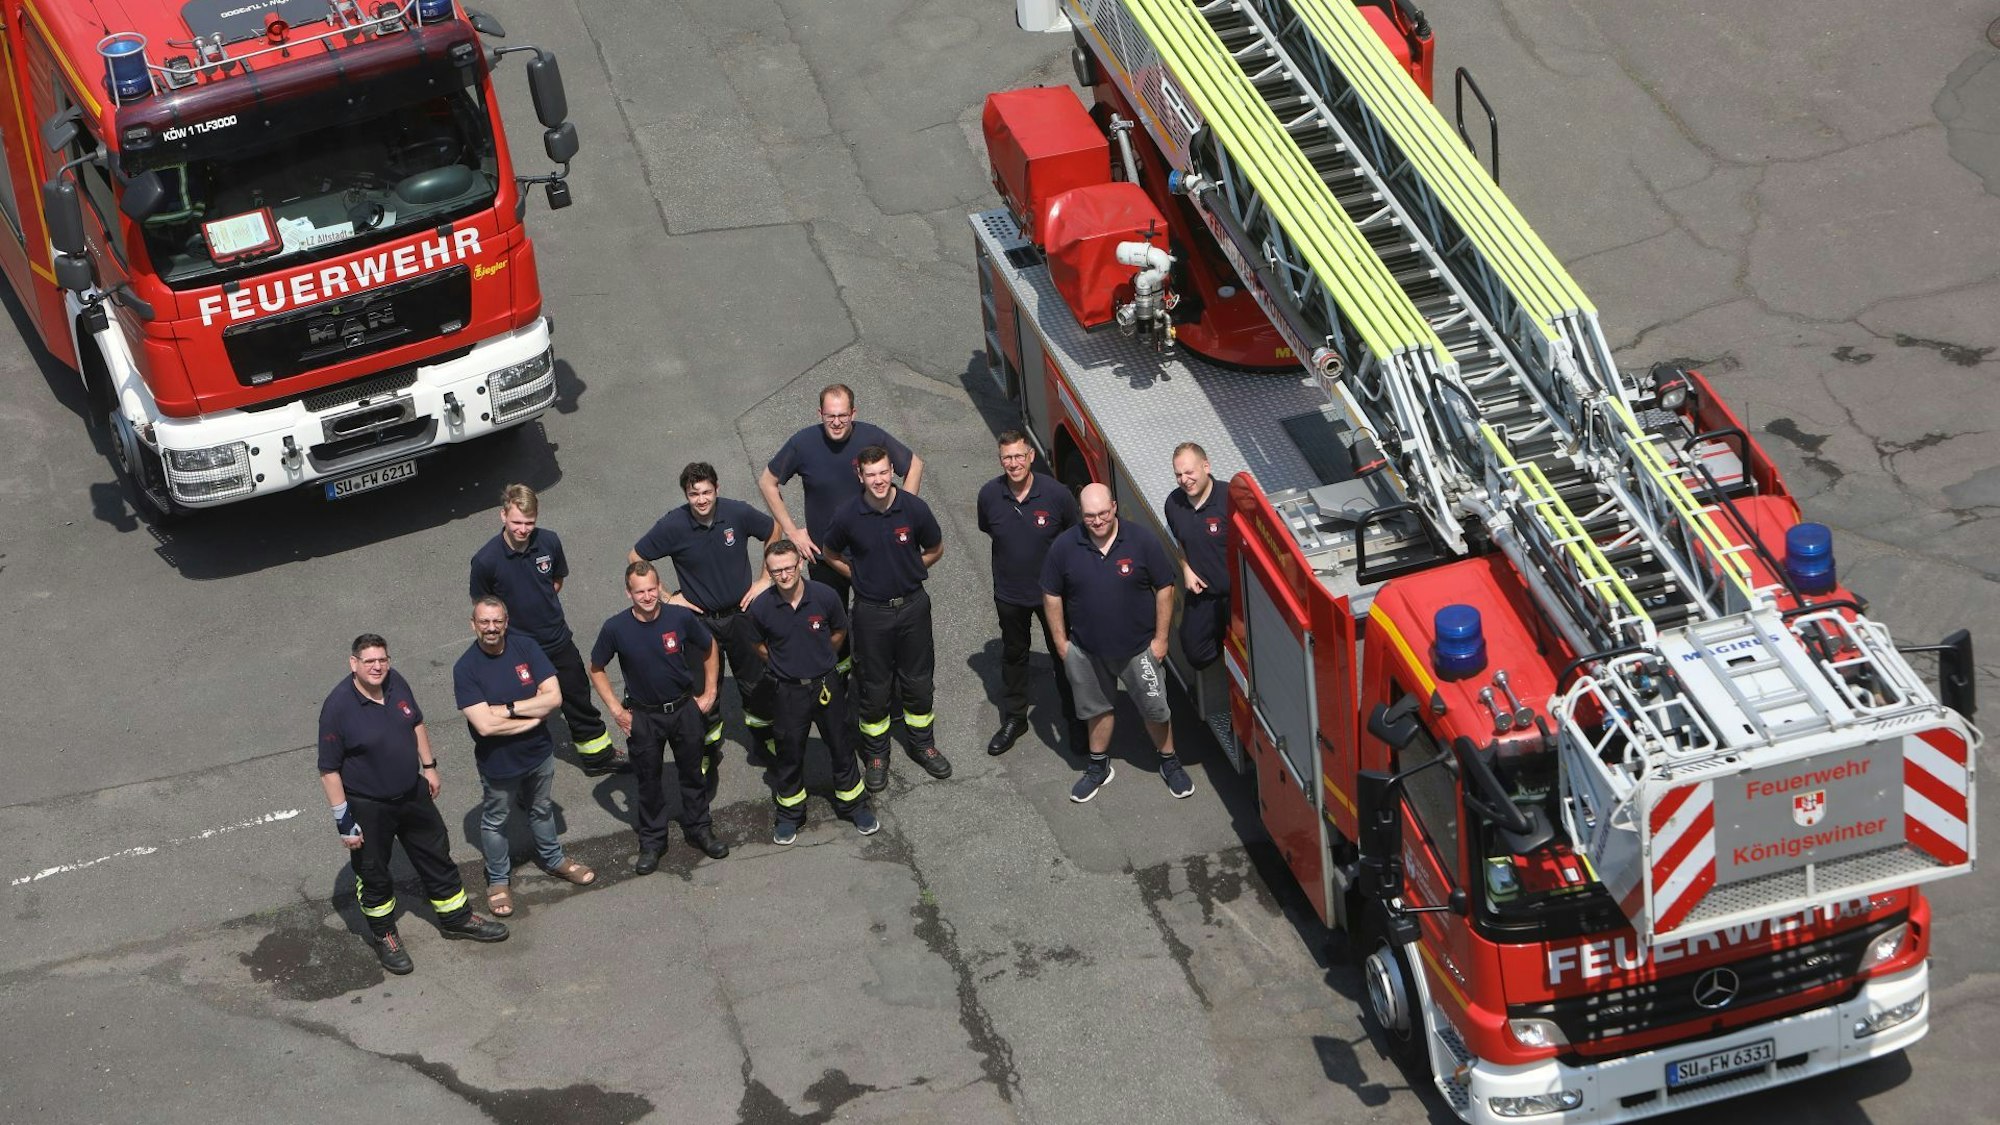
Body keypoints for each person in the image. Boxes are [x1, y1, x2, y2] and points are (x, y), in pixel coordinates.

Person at [318, 634, 507, 974]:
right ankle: (385, 935)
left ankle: (456, 918)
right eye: (369, 661)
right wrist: (344, 821)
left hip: (412, 793)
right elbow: (329, 771)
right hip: (368, 805)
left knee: (436, 854)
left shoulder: (395, 682)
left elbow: (415, 721)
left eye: (382, 659)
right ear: (354, 664)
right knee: (373, 872)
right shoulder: (338, 708)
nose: (377, 667)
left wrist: (429, 766)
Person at [1040, 484, 1192, 803]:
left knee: (1155, 709)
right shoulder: (1065, 546)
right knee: (1096, 710)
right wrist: (1061, 644)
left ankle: (1169, 762)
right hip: (1086, 651)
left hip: (1139, 650)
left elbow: (1165, 587)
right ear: (1081, 514)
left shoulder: (1141, 541)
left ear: (1114, 506)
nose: (1098, 521)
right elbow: (1051, 594)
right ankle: (1098, 767)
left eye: (1104, 513)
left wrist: (1161, 640)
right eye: (1091, 516)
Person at [454, 596, 598, 919]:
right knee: (495, 822)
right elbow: (484, 726)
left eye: (497, 622)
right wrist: (533, 714)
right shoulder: (466, 668)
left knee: (542, 808)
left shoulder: (526, 648)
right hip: (499, 764)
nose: (491, 628)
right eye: (484, 622)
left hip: (539, 754)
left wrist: (508, 710)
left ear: (506, 622)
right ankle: (498, 881)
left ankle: (553, 859)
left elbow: (555, 697)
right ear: (473, 625)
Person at [469, 483, 624, 774]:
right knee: (520, 711)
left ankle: (597, 757)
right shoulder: (486, 560)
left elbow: (555, 581)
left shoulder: (549, 542)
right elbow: (483, 606)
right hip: (516, 649)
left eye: (529, 523)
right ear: (503, 516)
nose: (523, 529)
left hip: (556, 640)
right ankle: (521, 773)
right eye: (516, 522)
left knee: (578, 697)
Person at [629, 463, 779, 762]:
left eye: (707, 492)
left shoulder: (736, 513)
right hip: (699, 623)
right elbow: (637, 557)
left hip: (742, 615)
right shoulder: (673, 525)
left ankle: (765, 742)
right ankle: (708, 750)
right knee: (703, 688)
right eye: (694, 493)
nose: (701, 499)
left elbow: (773, 529)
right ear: (686, 494)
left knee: (755, 683)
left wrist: (766, 579)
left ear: (717, 489)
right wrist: (667, 597)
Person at [758, 384, 925, 652]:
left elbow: (914, 464)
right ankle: (839, 684)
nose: (836, 422)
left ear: (853, 412)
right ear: (820, 413)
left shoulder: (871, 437)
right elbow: (768, 481)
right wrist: (792, 531)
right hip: (825, 556)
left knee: (877, 625)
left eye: (843, 415)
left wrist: (904, 509)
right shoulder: (803, 443)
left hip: (870, 554)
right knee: (832, 628)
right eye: (830, 416)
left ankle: (875, 681)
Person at [822, 445, 951, 790]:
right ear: (859, 476)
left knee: (918, 681)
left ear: (892, 470)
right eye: (871, 474)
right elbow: (829, 552)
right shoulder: (848, 514)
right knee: (874, 687)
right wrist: (858, 576)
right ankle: (877, 755)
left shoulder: (913, 508)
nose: (878, 480)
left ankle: (923, 745)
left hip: (912, 607)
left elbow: (935, 548)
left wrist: (909, 570)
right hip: (870, 613)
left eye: (883, 472)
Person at [588, 562, 727, 874]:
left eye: (652, 589)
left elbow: (709, 647)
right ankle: (652, 841)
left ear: (658, 586)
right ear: (629, 593)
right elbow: (596, 668)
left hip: (683, 710)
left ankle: (700, 829)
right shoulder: (615, 628)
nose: (648, 596)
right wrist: (616, 710)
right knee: (648, 782)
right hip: (645, 717)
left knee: (693, 774)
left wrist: (710, 691)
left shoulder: (680, 617)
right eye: (640, 591)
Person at [744, 539, 879, 844]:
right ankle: (791, 814)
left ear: (800, 565)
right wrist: (787, 665)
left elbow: (839, 631)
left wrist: (821, 660)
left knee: (841, 746)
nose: (784, 575)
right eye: (776, 570)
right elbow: (758, 646)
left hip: (825, 685)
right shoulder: (762, 607)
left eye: (789, 567)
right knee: (789, 753)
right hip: (788, 692)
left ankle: (855, 805)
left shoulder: (824, 596)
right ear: (769, 570)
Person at [976, 430, 1080, 755]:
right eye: (1007, 457)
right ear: (1000, 459)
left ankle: (1076, 721)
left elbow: (1072, 537)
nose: (1014, 463)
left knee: (1064, 656)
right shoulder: (989, 495)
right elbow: (988, 527)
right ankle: (1015, 719)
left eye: (1019, 456)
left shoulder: (1057, 495)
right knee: (1014, 655)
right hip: (1009, 594)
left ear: (1031, 456)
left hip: (1052, 597)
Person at [1163, 442, 1232, 669]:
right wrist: (1186, 569)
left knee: (1246, 658)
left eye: (1189, 472)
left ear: (1206, 466)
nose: (1184, 480)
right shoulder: (1174, 504)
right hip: (1202, 594)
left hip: (1236, 596)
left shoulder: (1230, 498)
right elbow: (1180, 541)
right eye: (1178, 474)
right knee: (1196, 653)